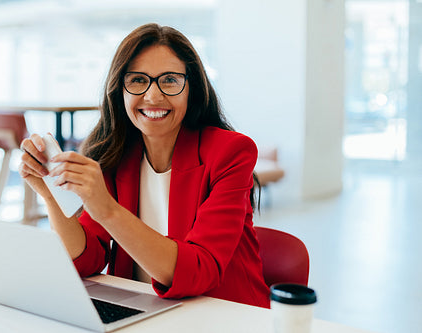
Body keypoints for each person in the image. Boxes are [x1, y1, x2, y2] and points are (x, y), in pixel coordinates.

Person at [19, 23, 270, 308]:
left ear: (192, 88)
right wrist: (50, 194)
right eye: (138, 80)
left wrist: (108, 210)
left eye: (170, 80)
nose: (153, 96)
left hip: (221, 314)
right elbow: (86, 260)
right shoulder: (114, 154)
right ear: (120, 90)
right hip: (145, 312)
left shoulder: (230, 152)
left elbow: (201, 270)